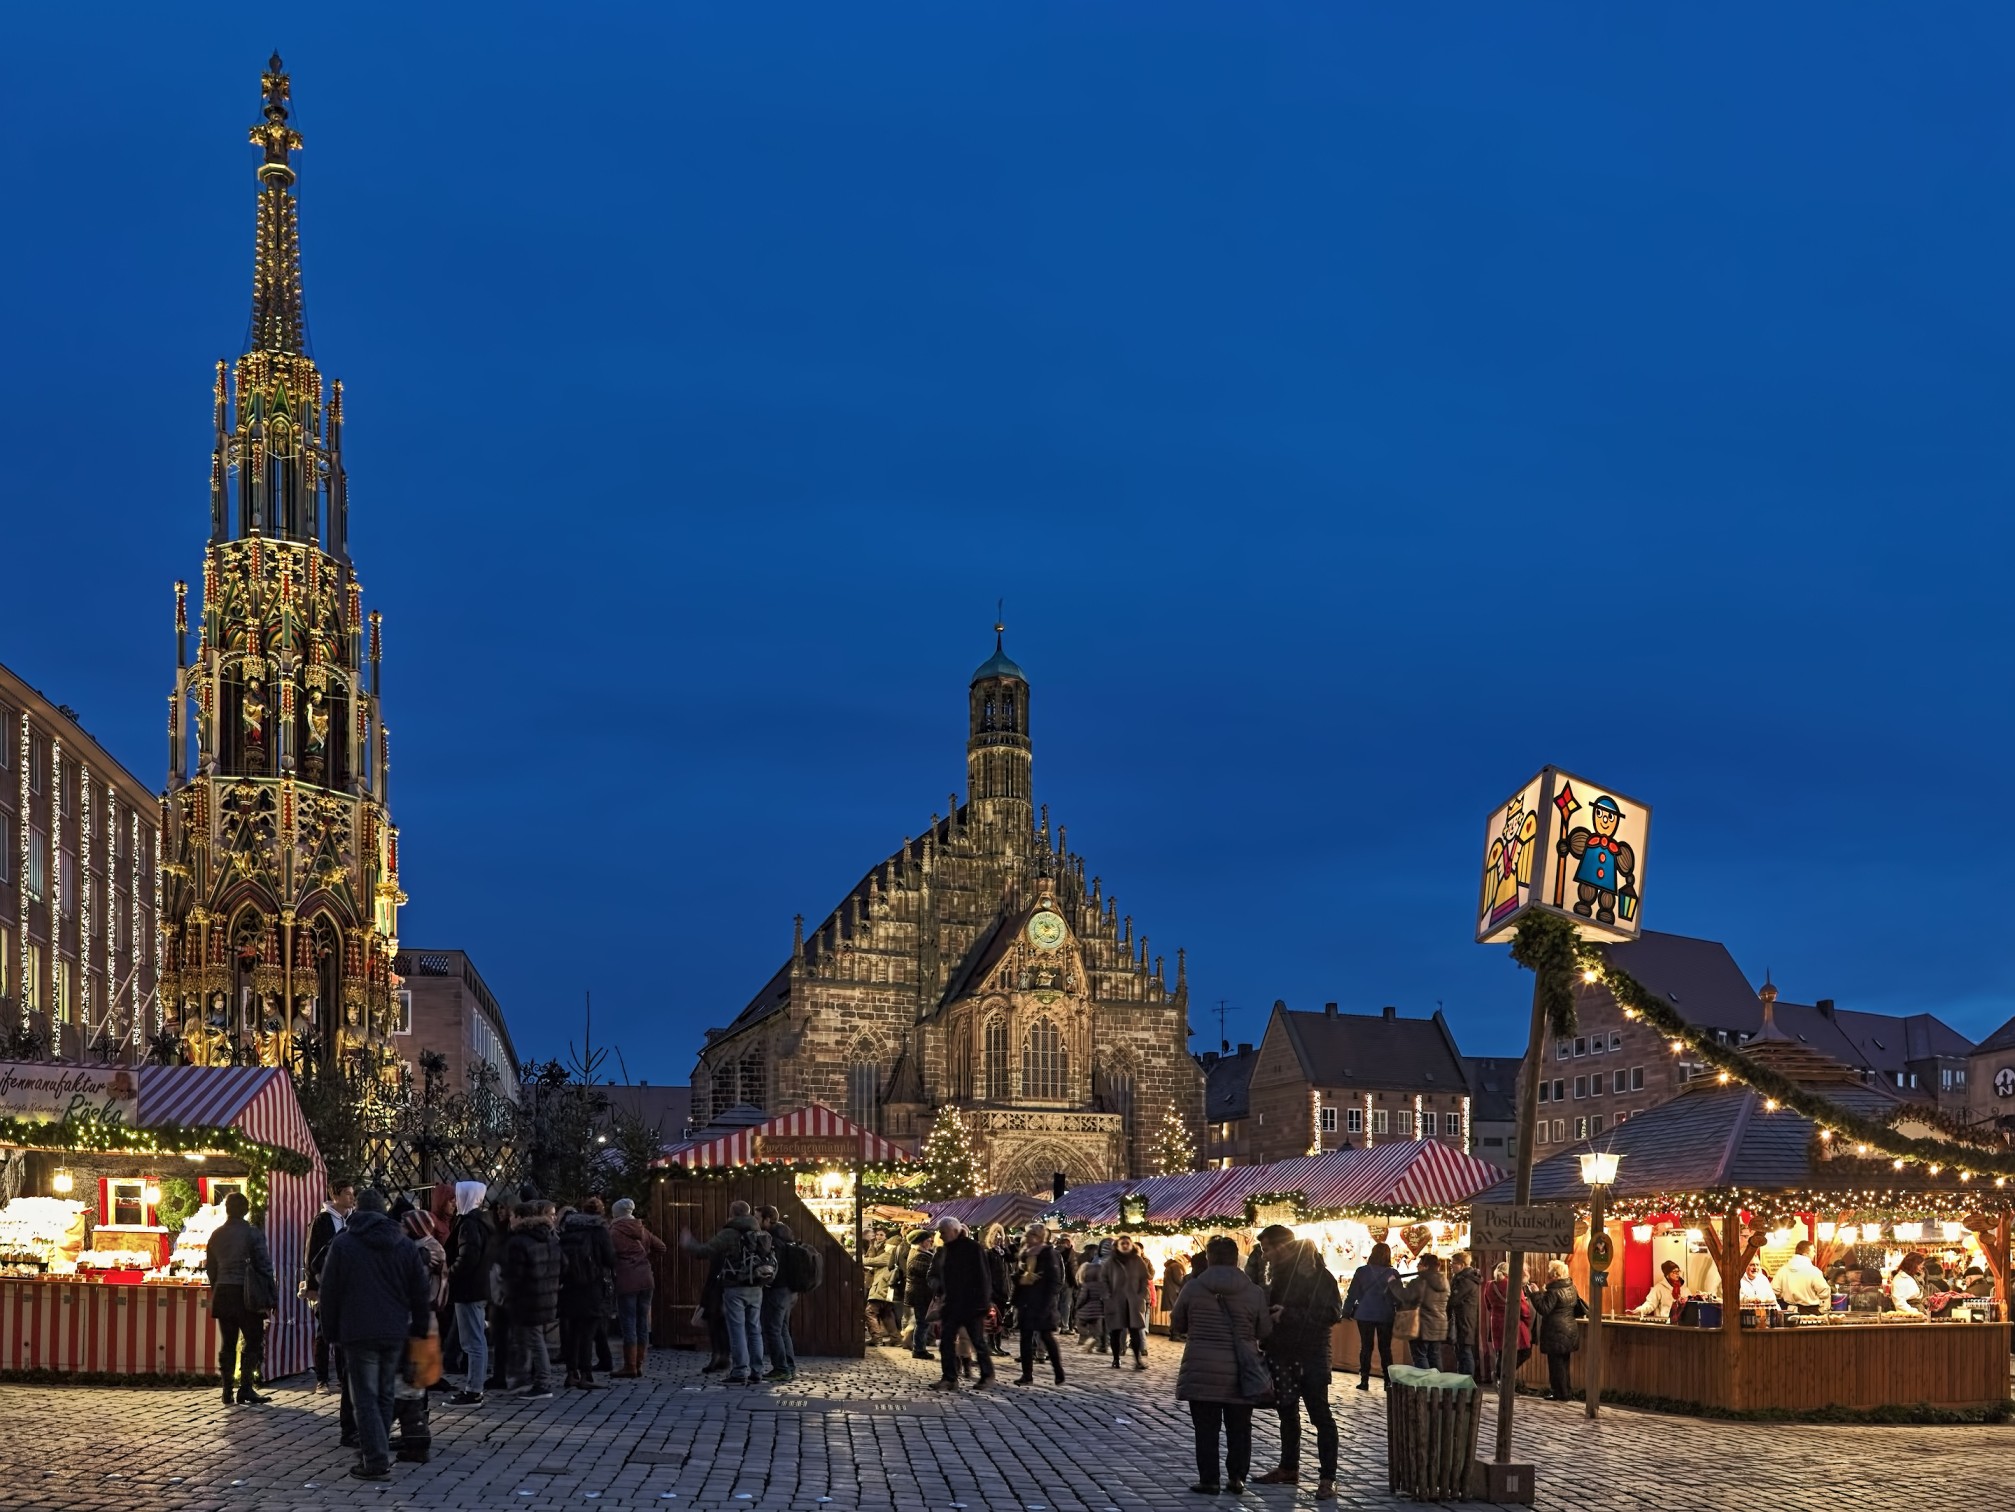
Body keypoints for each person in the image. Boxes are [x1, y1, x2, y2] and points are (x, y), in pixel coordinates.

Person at [317, 1189, 433, 1482]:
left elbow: (329, 1292)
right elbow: (420, 1292)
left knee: (365, 1398)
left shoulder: (344, 1243)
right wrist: (419, 1330)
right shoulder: (403, 1244)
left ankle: (375, 1458)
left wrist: (330, 1331)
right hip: (394, 1330)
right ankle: (376, 1451)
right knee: (383, 1394)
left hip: (358, 1331)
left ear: (358, 1210)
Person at [1172, 1234, 1272, 1496]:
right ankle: (1237, 1477)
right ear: (1236, 1259)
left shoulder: (1193, 1288)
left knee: (1206, 1429)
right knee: (1240, 1428)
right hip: (1241, 1370)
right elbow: (1264, 1330)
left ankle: (1209, 1480)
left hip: (1201, 1368)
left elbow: (1177, 1323)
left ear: (1209, 1258)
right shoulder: (1254, 1292)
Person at [1252, 1223, 1340, 1501]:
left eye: (1267, 1249)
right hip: (1282, 1353)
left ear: (1282, 1247)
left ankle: (1327, 1478)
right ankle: (1288, 1468)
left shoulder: (1318, 1275)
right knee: (1287, 1413)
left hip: (1311, 1354)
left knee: (1320, 1414)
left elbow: (1331, 1313)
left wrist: (1287, 1314)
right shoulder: (1278, 1274)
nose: (1264, 1255)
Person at [681, 1200, 772, 1384]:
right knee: (754, 1330)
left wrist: (688, 1242)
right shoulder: (759, 1231)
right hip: (756, 1286)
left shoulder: (730, 1232)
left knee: (737, 1330)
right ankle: (757, 1371)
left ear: (732, 1213)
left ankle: (739, 1371)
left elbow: (705, 1251)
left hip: (735, 1286)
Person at [206, 1191, 277, 1406]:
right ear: (245, 1210)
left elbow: (211, 1268)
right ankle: (245, 1387)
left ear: (227, 1209)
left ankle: (226, 1390)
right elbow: (264, 1266)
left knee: (228, 1343)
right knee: (253, 1340)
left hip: (223, 1292)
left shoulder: (216, 1234)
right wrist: (272, 1295)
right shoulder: (252, 1233)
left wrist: (217, 1285)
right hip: (247, 1293)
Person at [504, 1200, 562, 1399]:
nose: (510, 1220)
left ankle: (543, 1383)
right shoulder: (550, 1237)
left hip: (528, 1297)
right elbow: (564, 1265)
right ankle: (525, 1379)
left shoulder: (519, 1241)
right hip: (547, 1295)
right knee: (531, 1338)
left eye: (512, 1216)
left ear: (521, 1218)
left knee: (535, 1340)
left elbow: (515, 1275)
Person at [559, 1197, 617, 1388]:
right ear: (600, 1212)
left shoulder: (569, 1228)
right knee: (588, 1332)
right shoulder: (599, 1230)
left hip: (569, 1286)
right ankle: (586, 1374)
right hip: (592, 1285)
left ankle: (571, 1373)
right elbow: (610, 1258)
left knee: (572, 1331)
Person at [446, 1181, 495, 1404]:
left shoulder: (469, 1224)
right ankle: (475, 1386)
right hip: (479, 1287)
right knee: (476, 1339)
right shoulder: (483, 1221)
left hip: (469, 1288)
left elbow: (468, 1257)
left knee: (473, 1341)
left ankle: (474, 1389)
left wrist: (450, 1272)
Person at [305, 1181, 356, 1395]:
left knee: (345, 1332)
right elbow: (311, 1254)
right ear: (335, 1195)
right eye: (347, 1193)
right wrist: (312, 1285)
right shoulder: (322, 1220)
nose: (351, 1197)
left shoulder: (353, 1219)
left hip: (348, 1285)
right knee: (324, 1332)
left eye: (352, 1193)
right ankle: (322, 1379)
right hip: (326, 1283)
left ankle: (344, 1377)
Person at [933, 1217, 995, 1391]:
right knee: (946, 1342)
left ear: (954, 1231)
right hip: (952, 1304)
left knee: (977, 1342)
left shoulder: (972, 1248)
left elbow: (983, 1277)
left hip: (971, 1305)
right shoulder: (947, 1249)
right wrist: (941, 1293)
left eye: (943, 1232)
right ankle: (949, 1378)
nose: (940, 1235)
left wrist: (982, 1304)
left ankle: (987, 1375)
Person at [609, 1197, 664, 1377]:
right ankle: (639, 1364)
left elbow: (607, 1255)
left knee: (628, 1323)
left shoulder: (614, 1231)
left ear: (616, 1213)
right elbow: (661, 1247)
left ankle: (630, 1366)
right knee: (642, 1323)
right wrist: (645, 1260)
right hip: (646, 1279)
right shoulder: (642, 1229)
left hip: (626, 1280)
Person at [1012, 1222, 1065, 1386]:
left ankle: (1058, 1372)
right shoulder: (1025, 1253)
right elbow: (1018, 1276)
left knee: (1046, 1337)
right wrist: (1019, 1279)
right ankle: (1026, 1375)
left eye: (1031, 1234)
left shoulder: (1048, 1254)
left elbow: (1054, 1280)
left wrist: (1047, 1301)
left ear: (1040, 1237)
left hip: (1042, 1302)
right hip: (1026, 1301)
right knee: (1025, 1338)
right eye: (1027, 1234)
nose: (1028, 1237)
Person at [1342, 1241, 1399, 1390]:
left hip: (1365, 1313)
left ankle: (1364, 1380)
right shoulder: (1392, 1273)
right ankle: (1388, 1381)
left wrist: (1346, 1310)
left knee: (1366, 1347)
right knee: (1385, 1348)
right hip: (1385, 1314)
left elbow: (1352, 1293)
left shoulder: (1362, 1271)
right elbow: (1397, 1295)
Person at [1531, 1260, 1585, 1402]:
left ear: (1555, 1275)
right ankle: (1566, 1392)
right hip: (1570, 1330)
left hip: (1556, 1332)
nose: (1547, 1276)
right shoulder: (1571, 1287)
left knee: (1556, 1365)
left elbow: (1544, 1309)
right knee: (1564, 1364)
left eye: (1549, 1274)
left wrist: (1535, 1294)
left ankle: (1560, 1394)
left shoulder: (1554, 1291)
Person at [757, 1205, 800, 1383]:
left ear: (767, 1219)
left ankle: (781, 1369)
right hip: (790, 1290)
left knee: (773, 1329)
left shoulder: (773, 1240)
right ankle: (789, 1367)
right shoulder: (787, 1236)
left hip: (777, 1290)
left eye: (758, 1218)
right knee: (782, 1329)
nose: (756, 1221)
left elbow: (771, 1267)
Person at [1104, 1234, 1153, 1370]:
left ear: (1131, 1245)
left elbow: (1144, 1279)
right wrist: (1107, 1296)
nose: (1125, 1245)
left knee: (1135, 1332)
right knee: (1115, 1332)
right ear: (1118, 1246)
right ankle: (1116, 1359)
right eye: (1123, 1243)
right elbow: (1103, 1280)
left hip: (1133, 1302)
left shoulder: (1137, 1260)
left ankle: (1138, 1360)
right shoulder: (1111, 1261)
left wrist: (1140, 1295)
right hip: (1116, 1300)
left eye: (1127, 1243)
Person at [1396, 1253, 1450, 1369]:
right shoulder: (1444, 1281)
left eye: (1419, 1264)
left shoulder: (1419, 1281)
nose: (1417, 1267)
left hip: (1422, 1325)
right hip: (1439, 1324)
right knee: (1435, 1356)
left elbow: (1406, 1296)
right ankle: (1437, 1380)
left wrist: (1393, 1284)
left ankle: (1425, 1380)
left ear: (1426, 1266)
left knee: (1420, 1356)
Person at [1482, 1261, 1533, 1383]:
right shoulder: (1513, 1285)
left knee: (1501, 1352)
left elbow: (1488, 1305)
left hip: (1496, 1322)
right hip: (1512, 1322)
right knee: (1525, 1351)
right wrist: (1527, 1320)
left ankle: (1500, 1379)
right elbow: (1523, 1307)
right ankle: (1502, 1375)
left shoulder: (1489, 1285)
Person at [1447, 1252, 1481, 1378]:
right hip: (1463, 1319)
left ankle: (1467, 1381)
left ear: (1461, 1265)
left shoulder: (1466, 1281)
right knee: (1461, 1351)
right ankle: (1462, 1380)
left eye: (1453, 1263)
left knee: (1465, 1352)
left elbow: (1453, 1299)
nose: (1451, 1266)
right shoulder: (1462, 1278)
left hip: (1464, 1319)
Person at [905, 1229, 938, 1359]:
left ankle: (918, 1347)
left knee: (921, 1321)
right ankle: (918, 1349)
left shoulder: (921, 1254)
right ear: (922, 1242)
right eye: (928, 1240)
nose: (930, 1242)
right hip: (920, 1294)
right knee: (922, 1322)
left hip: (920, 1293)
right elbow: (927, 1273)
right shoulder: (919, 1256)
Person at [1773, 1240, 1832, 1313]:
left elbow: (1774, 1290)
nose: (1814, 1254)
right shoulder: (1814, 1271)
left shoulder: (1782, 1270)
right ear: (1805, 1254)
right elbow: (1824, 1292)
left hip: (1789, 1311)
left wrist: (1784, 1295)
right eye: (1813, 1251)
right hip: (1810, 1312)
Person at [982, 1224, 1012, 1358]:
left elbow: (1013, 1257)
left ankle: (997, 1345)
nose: (998, 1239)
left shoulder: (1003, 1253)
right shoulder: (988, 1253)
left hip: (1003, 1290)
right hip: (993, 1291)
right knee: (992, 1319)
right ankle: (991, 1345)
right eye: (996, 1236)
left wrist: (1005, 1247)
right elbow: (986, 1274)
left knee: (1001, 1320)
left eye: (1000, 1236)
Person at [1075, 1242, 1108, 1352]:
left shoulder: (1087, 1285)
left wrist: (1078, 1306)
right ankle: (1095, 1340)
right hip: (1098, 1311)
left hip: (1086, 1309)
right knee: (1096, 1328)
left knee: (1081, 1324)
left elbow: (1082, 1297)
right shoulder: (1102, 1285)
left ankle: (1088, 1337)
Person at [1162, 1253, 1190, 1339]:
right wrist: (1187, 1280)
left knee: (1174, 1313)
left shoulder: (1172, 1265)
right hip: (1174, 1293)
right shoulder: (1176, 1266)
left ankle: (1174, 1333)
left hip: (1172, 1292)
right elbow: (1179, 1280)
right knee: (1175, 1314)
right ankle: (1175, 1334)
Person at [1890, 1251, 1927, 1316]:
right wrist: (1913, 1312)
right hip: (1909, 1314)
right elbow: (1899, 1302)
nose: (1922, 1267)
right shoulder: (1899, 1279)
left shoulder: (1913, 1277)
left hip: (1918, 1311)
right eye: (1920, 1264)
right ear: (1913, 1264)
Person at [1056, 1235, 1079, 1333]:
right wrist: (1076, 1283)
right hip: (1067, 1282)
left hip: (1056, 1281)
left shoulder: (1054, 1252)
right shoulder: (1071, 1253)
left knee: (1056, 1303)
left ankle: (1056, 1324)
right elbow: (1073, 1269)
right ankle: (1064, 1326)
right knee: (1066, 1305)